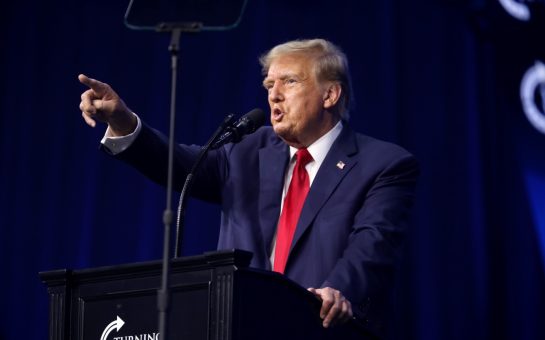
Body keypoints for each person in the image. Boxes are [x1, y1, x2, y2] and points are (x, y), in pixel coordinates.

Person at [78, 39, 418, 338]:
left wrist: (337, 291)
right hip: (239, 326)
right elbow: (180, 165)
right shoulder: (248, 149)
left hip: (321, 328)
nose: (274, 95)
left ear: (330, 94)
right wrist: (122, 121)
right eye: (269, 84)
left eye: (289, 81)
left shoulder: (383, 163)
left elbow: (372, 244)